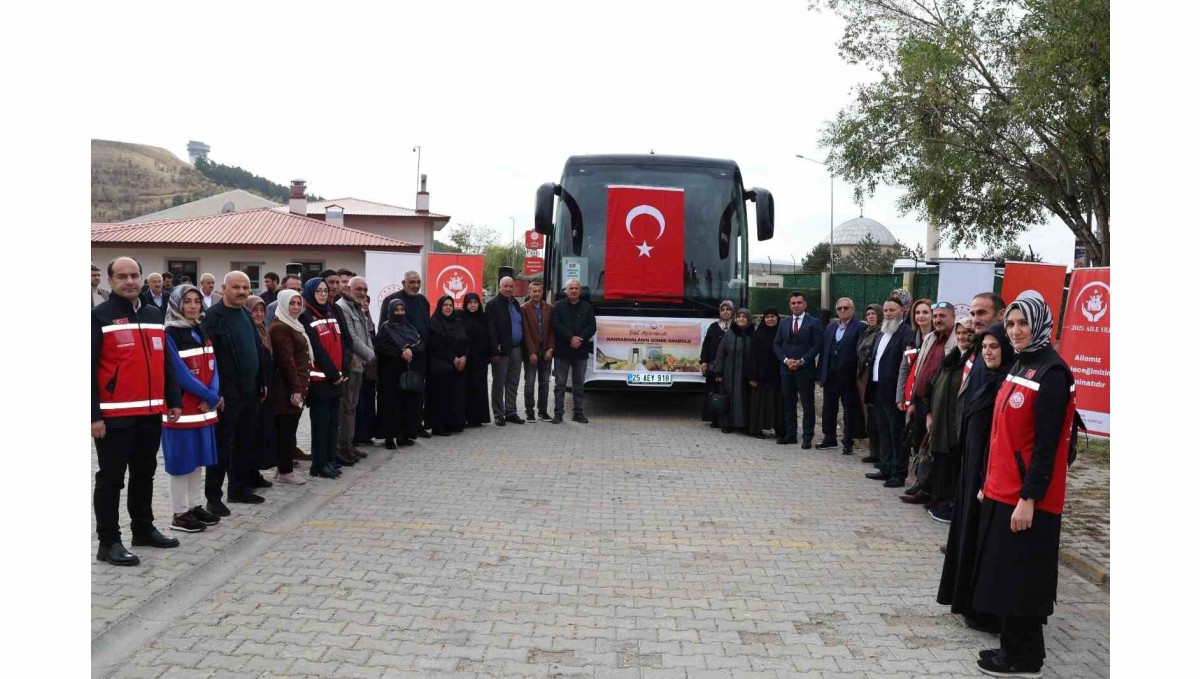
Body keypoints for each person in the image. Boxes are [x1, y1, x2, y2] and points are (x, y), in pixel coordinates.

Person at [971, 297, 1076, 678]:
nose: (1014, 330)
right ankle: (1010, 648)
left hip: (1028, 499)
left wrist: (1028, 498)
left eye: (1022, 324)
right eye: (1011, 323)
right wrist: (989, 480)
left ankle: (1025, 659)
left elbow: (1048, 448)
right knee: (1005, 575)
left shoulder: (1052, 373)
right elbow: (1004, 433)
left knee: (1022, 580)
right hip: (1003, 489)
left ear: (1040, 325)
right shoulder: (1022, 361)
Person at [92, 257, 183, 565]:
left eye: (134, 275)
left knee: (144, 474)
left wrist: (172, 399)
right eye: (122, 276)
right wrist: (93, 415)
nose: (129, 281)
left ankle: (142, 530)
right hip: (114, 417)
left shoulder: (154, 313)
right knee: (111, 480)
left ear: (142, 278)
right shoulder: (98, 317)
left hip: (150, 413)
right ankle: (108, 542)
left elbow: (165, 361)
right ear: (111, 280)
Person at [937, 323, 1013, 636]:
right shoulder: (986, 376)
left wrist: (987, 478)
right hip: (973, 472)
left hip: (992, 477)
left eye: (994, 346)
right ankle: (967, 602)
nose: (988, 352)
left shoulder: (1009, 382)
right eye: (984, 347)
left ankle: (987, 612)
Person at [201, 272, 270, 511]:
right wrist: (214, 392)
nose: (242, 291)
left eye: (246, 287)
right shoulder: (212, 318)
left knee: (244, 441)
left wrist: (261, 382)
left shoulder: (244, 314)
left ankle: (238, 489)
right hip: (225, 395)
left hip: (249, 391)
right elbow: (208, 358)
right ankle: (213, 498)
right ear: (224, 288)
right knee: (221, 446)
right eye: (236, 287)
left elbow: (256, 349)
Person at [161, 285, 223, 533]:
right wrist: (209, 395)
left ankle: (194, 505)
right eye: (187, 301)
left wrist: (213, 395)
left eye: (197, 301)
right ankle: (179, 513)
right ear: (177, 304)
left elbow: (213, 364)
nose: (193, 306)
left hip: (204, 408)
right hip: (183, 409)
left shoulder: (201, 329)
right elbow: (179, 373)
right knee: (181, 462)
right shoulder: (170, 334)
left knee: (198, 461)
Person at [922, 315, 974, 522]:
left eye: (967, 333)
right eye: (959, 333)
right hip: (940, 420)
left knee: (953, 465)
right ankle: (939, 497)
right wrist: (929, 413)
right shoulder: (952, 357)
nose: (962, 337)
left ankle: (951, 504)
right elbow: (933, 386)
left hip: (956, 424)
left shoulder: (972, 360)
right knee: (941, 461)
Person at [903, 301, 955, 501]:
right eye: (936, 316)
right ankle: (920, 483)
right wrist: (914, 399)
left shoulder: (955, 342)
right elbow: (919, 370)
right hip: (921, 400)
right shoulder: (931, 338)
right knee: (918, 443)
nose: (938, 320)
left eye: (942, 316)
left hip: (939, 404)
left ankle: (929, 491)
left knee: (933, 447)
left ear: (953, 317)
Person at [299, 277, 348, 478]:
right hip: (321, 381)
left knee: (331, 423)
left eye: (325, 291)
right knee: (320, 424)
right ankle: (318, 465)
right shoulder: (307, 316)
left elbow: (340, 343)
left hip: (336, 379)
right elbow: (317, 350)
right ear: (310, 292)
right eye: (318, 290)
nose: (322, 294)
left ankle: (329, 460)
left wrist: (341, 371)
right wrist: (334, 374)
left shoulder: (330, 313)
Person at [864, 298, 915, 487]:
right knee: (883, 430)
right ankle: (885, 467)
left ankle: (898, 473)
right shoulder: (881, 332)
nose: (887, 313)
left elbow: (907, 367)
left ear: (902, 311)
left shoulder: (907, 333)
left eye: (891, 310)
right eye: (885, 310)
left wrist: (902, 394)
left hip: (894, 392)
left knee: (896, 433)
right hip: (877, 388)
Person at [379, 271, 431, 437]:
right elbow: (385, 328)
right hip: (399, 358)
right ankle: (398, 432)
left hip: (419, 355)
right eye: (412, 282)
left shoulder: (423, 301)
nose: (415, 286)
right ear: (403, 283)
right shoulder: (392, 300)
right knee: (399, 396)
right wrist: (401, 351)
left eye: (418, 282)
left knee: (417, 393)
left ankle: (415, 426)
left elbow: (425, 328)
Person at [267, 289, 310, 485]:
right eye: (291, 303)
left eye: (298, 303)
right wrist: (296, 389)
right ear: (282, 305)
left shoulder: (294, 325)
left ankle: (283, 467)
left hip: (296, 385)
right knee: (285, 431)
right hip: (286, 390)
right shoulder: (281, 327)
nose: (295, 307)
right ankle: (285, 471)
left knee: (289, 429)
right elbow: (287, 361)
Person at [817, 297, 866, 454]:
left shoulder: (859, 327)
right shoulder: (831, 327)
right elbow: (824, 351)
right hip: (830, 374)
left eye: (846, 308)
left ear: (852, 309)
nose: (843, 311)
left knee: (849, 410)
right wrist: (821, 372)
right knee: (828, 408)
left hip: (848, 376)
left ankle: (848, 441)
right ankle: (829, 437)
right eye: (840, 309)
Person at [773, 291, 823, 446]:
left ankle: (807, 436)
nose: (796, 305)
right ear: (789, 305)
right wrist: (786, 360)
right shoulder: (784, 323)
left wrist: (802, 360)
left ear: (805, 304)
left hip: (805, 370)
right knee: (789, 404)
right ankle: (791, 434)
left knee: (808, 404)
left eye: (799, 302)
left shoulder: (814, 322)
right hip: (786, 370)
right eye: (793, 303)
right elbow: (777, 344)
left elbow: (817, 345)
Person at [376, 299, 424, 448]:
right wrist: (400, 352)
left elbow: (419, 343)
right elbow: (381, 347)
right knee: (390, 405)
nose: (399, 313)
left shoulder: (409, 327)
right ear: (390, 311)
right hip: (390, 373)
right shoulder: (385, 328)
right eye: (396, 310)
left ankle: (405, 435)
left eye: (402, 310)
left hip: (407, 371)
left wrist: (411, 350)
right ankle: (389, 437)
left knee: (407, 404)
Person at [336, 276, 375, 462]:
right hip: (350, 364)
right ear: (348, 289)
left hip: (360, 363)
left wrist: (370, 354)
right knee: (346, 407)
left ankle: (349, 445)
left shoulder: (359, 308)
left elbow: (366, 333)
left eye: (365, 290)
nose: (362, 293)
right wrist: (370, 355)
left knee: (352, 407)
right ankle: (341, 447)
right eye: (359, 289)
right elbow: (351, 337)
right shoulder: (342, 307)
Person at [552, 279, 596, 424]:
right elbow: (556, 325)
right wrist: (571, 338)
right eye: (571, 288)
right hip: (562, 351)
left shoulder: (587, 307)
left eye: (576, 288)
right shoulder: (558, 306)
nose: (574, 291)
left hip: (580, 351)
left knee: (578, 384)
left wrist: (580, 339)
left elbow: (592, 326)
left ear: (580, 291)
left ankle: (578, 413)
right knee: (560, 384)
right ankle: (558, 414)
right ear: (566, 290)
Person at [486, 276, 526, 425]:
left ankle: (511, 411)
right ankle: (498, 413)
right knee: (499, 382)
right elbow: (491, 329)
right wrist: (494, 350)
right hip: (501, 350)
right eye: (505, 286)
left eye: (511, 286)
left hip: (517, 348)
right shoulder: (492, 305)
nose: (508, 289)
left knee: (513, 382)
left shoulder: (516, 303)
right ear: (499, 286)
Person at [246, 295, 277, 484]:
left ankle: (255, 472)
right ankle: (248, 474)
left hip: (266, 389)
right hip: (254, 389)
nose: (258, 314)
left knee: (261, 434)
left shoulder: (264, 330)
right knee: (252, 434)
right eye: (254, 310)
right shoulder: (250, 332)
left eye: (261, 310)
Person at [427, 295, 469, 435]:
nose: (448, 307)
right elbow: (436, 345)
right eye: (445, 305)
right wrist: (453, 358)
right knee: (441, 397)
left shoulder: (458, 322)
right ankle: (439, 426)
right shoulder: (434, 323)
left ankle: (454, 423)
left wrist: (463, 356)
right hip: (440, 365)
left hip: (458, 365)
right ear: (440, 306)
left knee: (455, 395)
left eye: (450, 305)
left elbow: (465, 341)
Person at [711, 308, 755, 434]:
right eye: (739, 317)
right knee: (729, 399)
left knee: (746, 399)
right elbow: (720, 354)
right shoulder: (729, 334)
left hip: (746, 374)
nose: (741, 319)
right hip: (729, 374)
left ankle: (744, 425)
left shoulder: (752, 334)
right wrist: (718, 373)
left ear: (748, 319)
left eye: (744, 317)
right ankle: (728, 424)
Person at [520, 280, 555, 422]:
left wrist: (550, 349)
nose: (536, 294)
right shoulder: (524, 309)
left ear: (542, 292)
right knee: (529, 383)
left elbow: (553, 330)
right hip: (531, 353)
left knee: (545, 383)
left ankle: (543, 411)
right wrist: (531, 352)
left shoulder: (550, 308)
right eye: (534, 291)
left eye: (539, 291)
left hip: (546, 351)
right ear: (529, 292)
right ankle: (529, 411)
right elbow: (525, 332)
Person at [747, 307, 783, 439]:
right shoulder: (758, 334)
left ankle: (780, 430)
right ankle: (757, 429)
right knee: (760, 404)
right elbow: (752, 356)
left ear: (777, 318)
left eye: (773, 316)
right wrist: (752, 376)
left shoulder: (782, 332)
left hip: (778, 375)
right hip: (761, 376)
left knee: (778, 404)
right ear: (764, 319)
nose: (770, 319)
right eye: (767, 317)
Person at [856, 304, 884, 464]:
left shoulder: (882, 332)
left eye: (874, 313)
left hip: (872, 376)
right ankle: (873, 451)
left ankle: (880, 453)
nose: (871, 316)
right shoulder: (866, 331)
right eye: (868, 313)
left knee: (875, 415)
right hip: (862, 375)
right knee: (868, 415)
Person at [459, 292, 492, 427]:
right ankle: (464, 417)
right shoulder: (460, 318)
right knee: (465, 388)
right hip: (465, 359)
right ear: (465, 304)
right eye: (470, 303)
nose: (473, 305)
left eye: (475, 302)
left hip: (480, 360)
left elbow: (489, 337)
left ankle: (478, 417)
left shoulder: (483, 318)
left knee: (479, 388)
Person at [700, 300, 734, 427]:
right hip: (714, 365)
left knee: (728, 393)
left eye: (728, 309)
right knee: (713, 392)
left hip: (730, 366)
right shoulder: (714, 327)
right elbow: (706, 345)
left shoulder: (735, 326)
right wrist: (703, 361)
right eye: (723, 310)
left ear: (732, 311)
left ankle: (728, 419)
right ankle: (714, 419)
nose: (725, 312)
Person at [354, 293, 379, 447]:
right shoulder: (355, 321)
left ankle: (368, 433)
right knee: (358, 403)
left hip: (370, 370)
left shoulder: (370, 322)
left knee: (369, 402)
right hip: (358, 366)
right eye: (361, 300)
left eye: (367, 301)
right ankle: (357, 435)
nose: (364, 303)